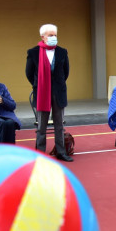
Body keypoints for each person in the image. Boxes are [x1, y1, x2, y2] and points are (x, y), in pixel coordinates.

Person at [26, 24, 72, 162]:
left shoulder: (62, 52)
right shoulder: (33, 52)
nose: (53, 37)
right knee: (41, 126)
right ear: (43, 37)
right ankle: (40, 153)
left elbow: (66, 72)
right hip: (41, 93)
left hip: (58, 93)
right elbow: (29, 73)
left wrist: (57, 84)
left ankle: (61, 152)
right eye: (50, 35)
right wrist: (38, 85)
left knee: (59, 125)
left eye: (55, 35)